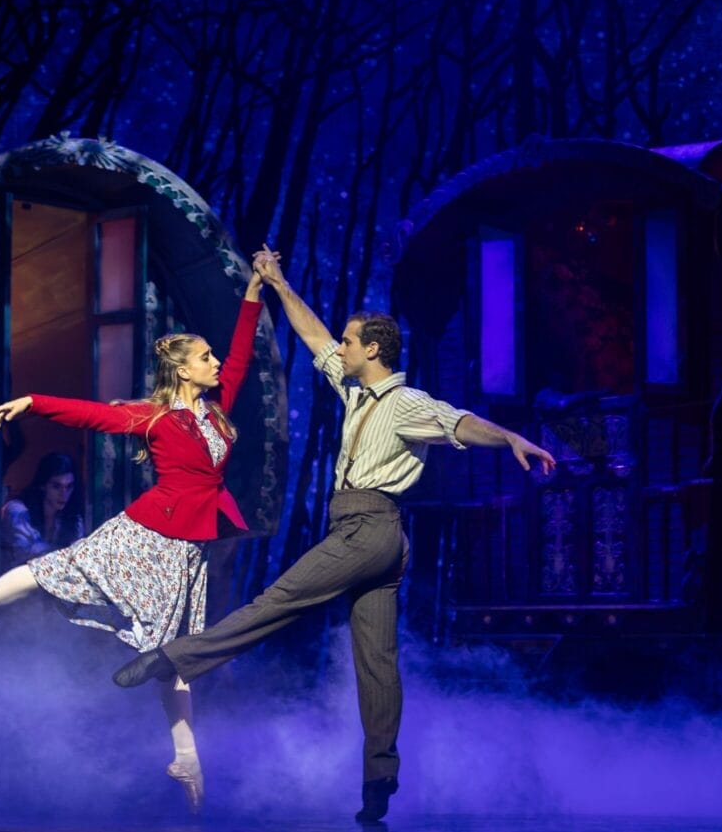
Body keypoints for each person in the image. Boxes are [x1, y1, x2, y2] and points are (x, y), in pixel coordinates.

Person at [113, 246, 556, 823]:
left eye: (349, 343)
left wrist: (511, 438)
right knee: (377, 661)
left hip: (369, 528)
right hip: (375, 536)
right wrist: (277, 284)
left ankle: (172, 659)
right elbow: (315, 335)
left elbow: (459, 422)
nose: (338, 349)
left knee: (280, 600)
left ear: (372, 350)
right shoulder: (354, 390)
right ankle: (380, 778)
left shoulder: (406, 402)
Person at [0, 269, 267, 814]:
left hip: (188, 550)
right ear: (183, 369)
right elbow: (95, 415)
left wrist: (254, 292)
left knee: (173, 654)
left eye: (213, 356)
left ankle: (186, 757)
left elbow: (239, 359)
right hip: (146, 533)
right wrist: (34, 402)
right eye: (205, 357)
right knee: (50, 571)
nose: (215, 363)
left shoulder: (215, 411)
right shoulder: (154, 416)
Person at [1, 452, 85, 565]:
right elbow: (24, 554)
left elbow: (78, 559)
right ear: (43, 485)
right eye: (56, 486)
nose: (64, 494)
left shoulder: (74, 520)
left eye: (69, 486)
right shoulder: (18, 511)